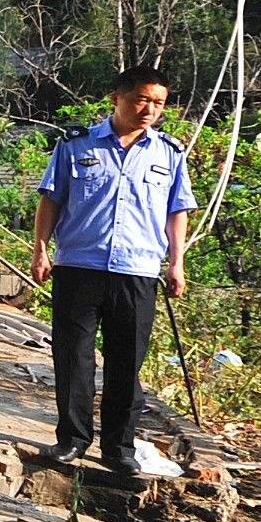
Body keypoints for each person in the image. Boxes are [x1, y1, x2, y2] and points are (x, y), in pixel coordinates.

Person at [31, 66, 196, 475]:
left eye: (158, 103)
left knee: (127, 363)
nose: (149, 109)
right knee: (74, 358)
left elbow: (177, 211)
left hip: (138, 271)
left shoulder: (169, 154)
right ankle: (72, 440)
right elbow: (50, 200)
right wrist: (39, 250)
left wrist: (177, 262)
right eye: (141, 99)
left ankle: (118, 448)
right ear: (117, 97)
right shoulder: (76, 146)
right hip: (79, 267)